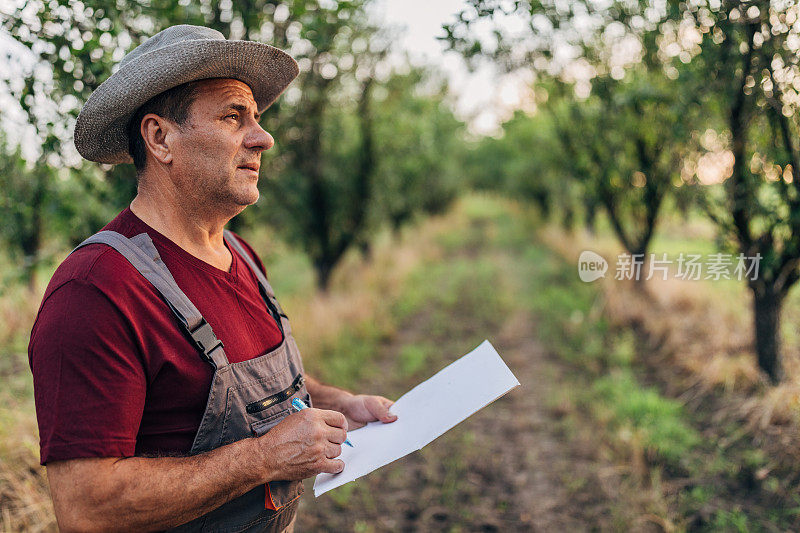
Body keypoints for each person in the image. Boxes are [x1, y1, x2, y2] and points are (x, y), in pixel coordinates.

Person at [28, 24, 397, 532]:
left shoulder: (241, 255)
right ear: (160, 138)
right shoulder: (96, 290)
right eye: (233, 116)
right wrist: (263, 458)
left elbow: (250, 389)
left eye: (257, 119)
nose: (262, 138)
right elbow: (86, 508)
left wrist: (336, 407)